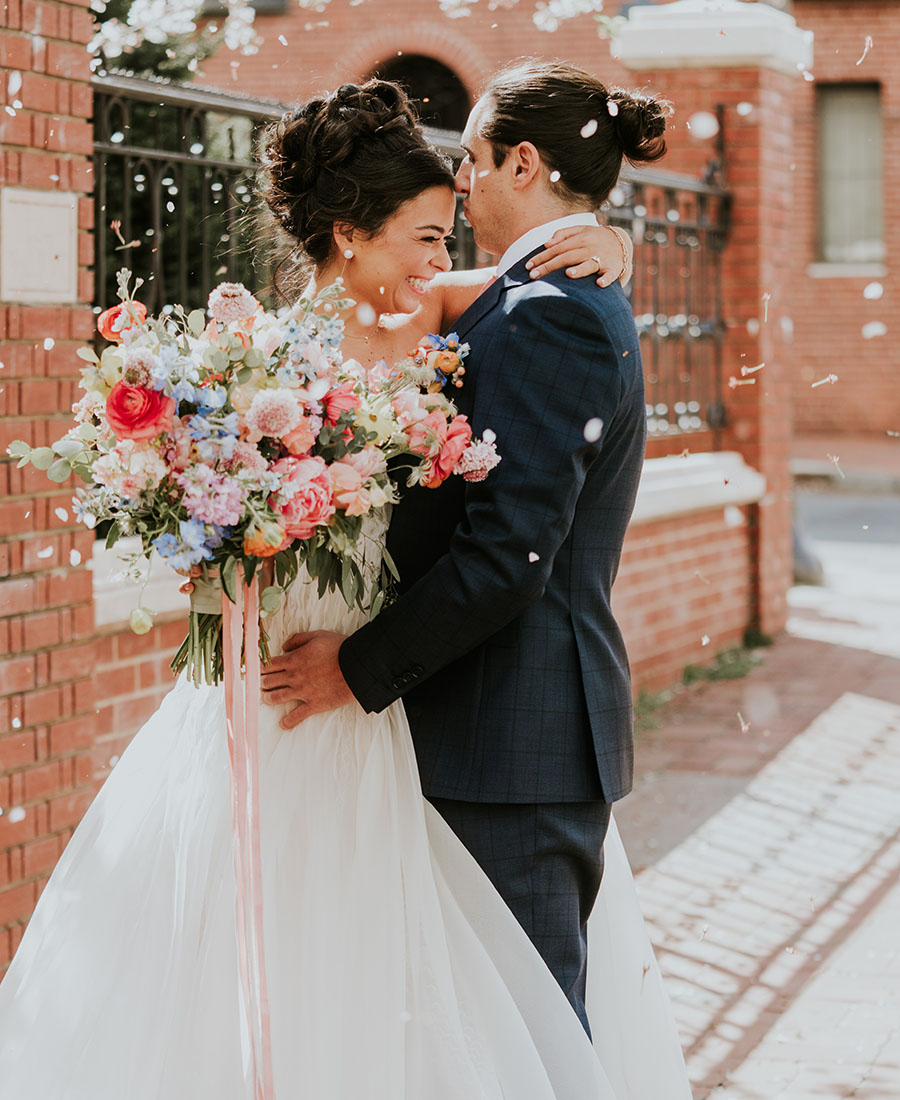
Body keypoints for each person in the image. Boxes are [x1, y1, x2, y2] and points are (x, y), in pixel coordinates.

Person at [0, 76, 691, 1100]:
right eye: (421, 230)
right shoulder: (394, 325)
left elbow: (512, 554)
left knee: (520, 1032)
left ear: (520, 164)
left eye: (465, 180)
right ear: (351, 234)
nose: (442, 239)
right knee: (403, 1006)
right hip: (378, 705)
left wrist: (610, 235)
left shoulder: (530, 303)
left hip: (463, 718)